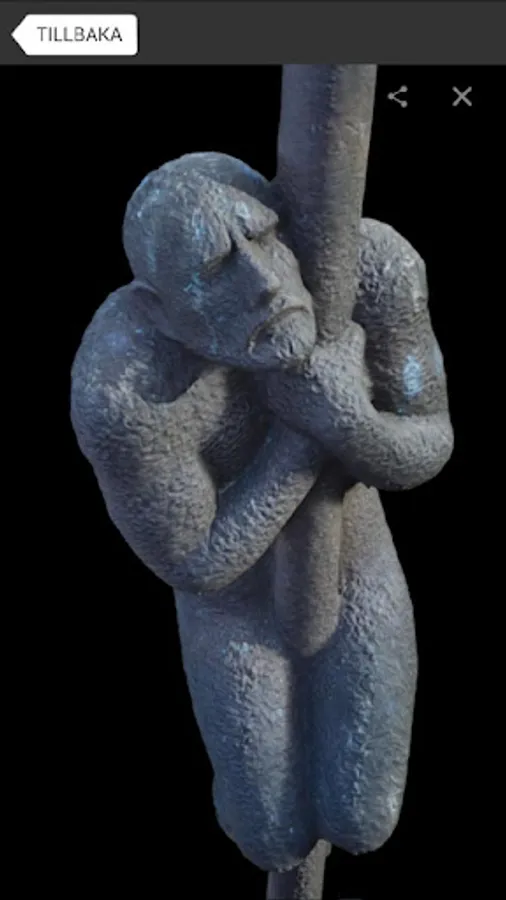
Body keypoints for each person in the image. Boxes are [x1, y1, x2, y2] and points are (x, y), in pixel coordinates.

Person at [70, 152, 453, 873]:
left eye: (264, 236)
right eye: (217, 270)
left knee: (364, 815)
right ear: (161, 312)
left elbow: (430, 441)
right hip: (236, 608)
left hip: (354, 564)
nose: (265, 282)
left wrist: (350, 423)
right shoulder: (127, 384)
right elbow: (194, 561)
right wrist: (305, 438)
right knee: (270, 833)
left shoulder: (377, 267)